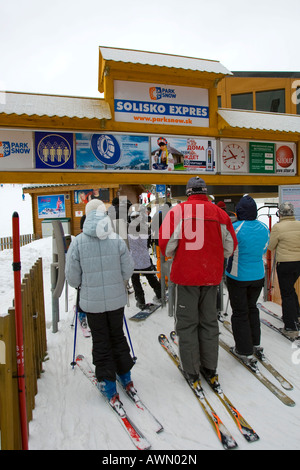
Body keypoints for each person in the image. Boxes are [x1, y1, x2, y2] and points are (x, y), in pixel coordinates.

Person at [159, 176, 237, 386]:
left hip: (186, 277)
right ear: (205, 191)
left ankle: (192, 370)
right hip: (211, 278)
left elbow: (166, 246)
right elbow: (230, 247)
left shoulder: (177, 212)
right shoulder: (220, 214)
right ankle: (210, 367)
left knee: (187, 323)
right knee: (209, 322)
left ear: (188, 192)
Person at [65, 199, 135, 403]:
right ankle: (125, 376)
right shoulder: (115, 239)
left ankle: (108, 384)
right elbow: (128, 269)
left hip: (92, 304)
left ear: (86, 215)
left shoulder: (78, 242)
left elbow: (73, 278)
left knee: (101, 341)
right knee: (117, 336)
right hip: (115, 302)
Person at [225, 195, 270, 363]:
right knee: (252, 308)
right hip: (258, 275)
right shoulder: (264, 228)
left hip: (238, 276)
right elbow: (266, 247)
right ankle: (255, 342)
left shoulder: (236, 228)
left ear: (239, 212)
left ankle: (243, 350)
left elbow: (227, 249)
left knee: (240, 312)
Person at [268, 202, 300, 339]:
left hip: (285, 264)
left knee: (286, 293)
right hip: (299, 263)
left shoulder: (278, 227)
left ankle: (290, 327)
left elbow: (271, 246)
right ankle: (296, 315)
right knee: (291, 289)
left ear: (279, 213)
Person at [128, 210, 161, 309]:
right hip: (145, 258)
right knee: (151, 277)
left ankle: (141, 301)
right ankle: (160, 294)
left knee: (135, 280)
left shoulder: (128, 230)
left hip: (133, 259)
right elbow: (149, 242)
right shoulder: (146, 228)